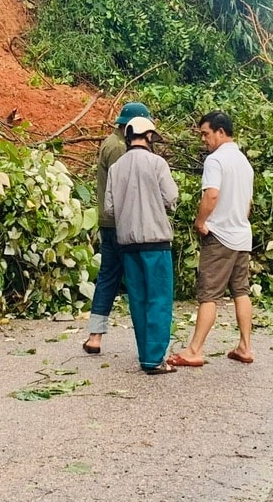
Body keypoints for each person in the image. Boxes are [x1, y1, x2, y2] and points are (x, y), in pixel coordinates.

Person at [168, 110, 255, 367]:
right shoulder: (244, 162)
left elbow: (212, 195)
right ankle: (245, 346)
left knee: (208, 294)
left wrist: (200, 221)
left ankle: (194, 350)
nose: (203, 139)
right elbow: (248, 203)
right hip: (241, 234)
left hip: (220, 237)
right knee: (241, 291)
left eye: (206, 134)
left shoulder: (215, 161)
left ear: (220, 131)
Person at [103, 115, 179, 374]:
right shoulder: (158, 163)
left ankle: (145, 354)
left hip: (127, 243)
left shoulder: (116, 168)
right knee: (159, 299)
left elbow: (109, 208)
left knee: (137, 299)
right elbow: (171, 197)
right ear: (148, 137)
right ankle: (155, 358)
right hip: (156, 241)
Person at [83, 101, 151, 355]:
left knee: (107, 278)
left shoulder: (110, 143)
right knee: (137, 279)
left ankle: (95, 336)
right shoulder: (121, 148)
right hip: (122, 222)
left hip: (107, 221)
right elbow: (127, 187)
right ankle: (146, 341)